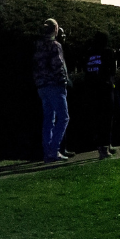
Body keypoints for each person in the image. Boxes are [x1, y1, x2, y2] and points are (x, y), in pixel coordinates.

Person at [33, 18, 71, 161]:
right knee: (63, 117)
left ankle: (47, 151)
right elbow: (58, 65)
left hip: (42, 86)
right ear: (55, 29)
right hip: (55, 85)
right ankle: (54, 150)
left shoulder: (38, 45)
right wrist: (64, 81)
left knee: (49, 118)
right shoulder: (54, 45)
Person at [82, 30, 120, 157]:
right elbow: (112, 70)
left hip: (92, 89)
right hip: (105, 88)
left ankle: (103, 145)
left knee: (97, 119)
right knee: (107, 118)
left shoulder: (89, 52)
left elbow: (85, 70)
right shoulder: (108, 52)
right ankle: (105, 148)